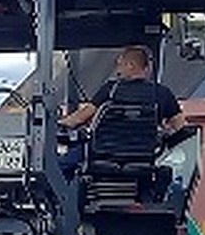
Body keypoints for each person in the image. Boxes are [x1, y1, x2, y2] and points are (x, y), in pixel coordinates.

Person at [58, 44, 186, 177]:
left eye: (120, 64)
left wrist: (59, 124)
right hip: (144, 158)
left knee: (59, 166)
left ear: (130, 65)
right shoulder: (162, 94)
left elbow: (79, 118)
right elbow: (181, 127)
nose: (117, 70)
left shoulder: (110, 90)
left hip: (103, 154)